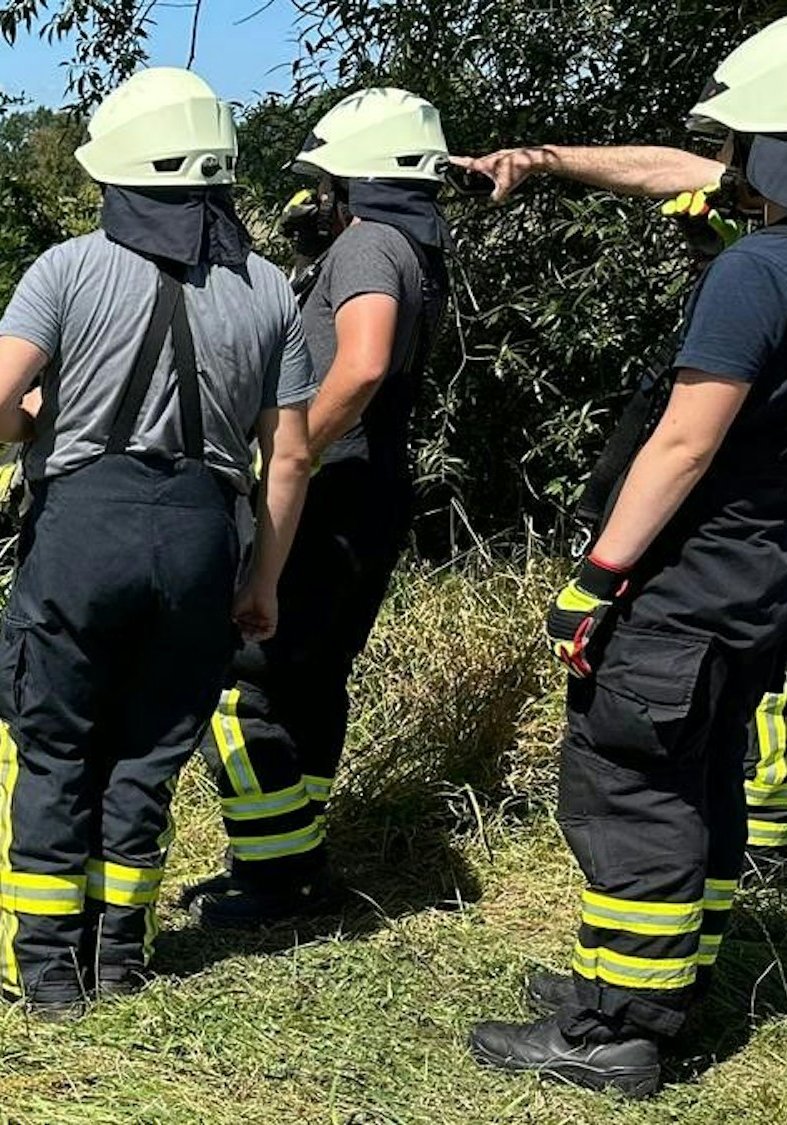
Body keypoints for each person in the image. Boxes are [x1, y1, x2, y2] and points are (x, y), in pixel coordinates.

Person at [466, 14, 787, 1097]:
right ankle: (660, 984)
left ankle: (614, 1032)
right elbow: (674, 169)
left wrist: (595, 578)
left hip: (684, 587)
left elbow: (686, 438)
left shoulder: (759, 269)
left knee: (631, 786)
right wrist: (546, 159)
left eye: (746, 145)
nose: (729, 168)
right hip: (762, 582)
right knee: (699, 780)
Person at [0, 67, 316, 1019]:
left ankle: (39, 974)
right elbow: (288, 459)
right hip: (203, 536)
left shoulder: (69, 267)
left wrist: (36, 426)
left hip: (85, 532)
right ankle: (119, 959)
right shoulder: (271, 288)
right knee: (146, 755)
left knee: (51, 747)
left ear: (116, 166)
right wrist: (263, 581)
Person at [185, 89, 456, 927]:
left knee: (242, 682)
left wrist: (285, 453)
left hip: (331, 490)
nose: (316, 201)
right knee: (312, 676)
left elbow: (364, 361)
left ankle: (277, 876)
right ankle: (292, 852)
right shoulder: (415, 245)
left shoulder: (372, 243)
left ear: (356, 180)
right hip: (372, 494)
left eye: (325, 183)